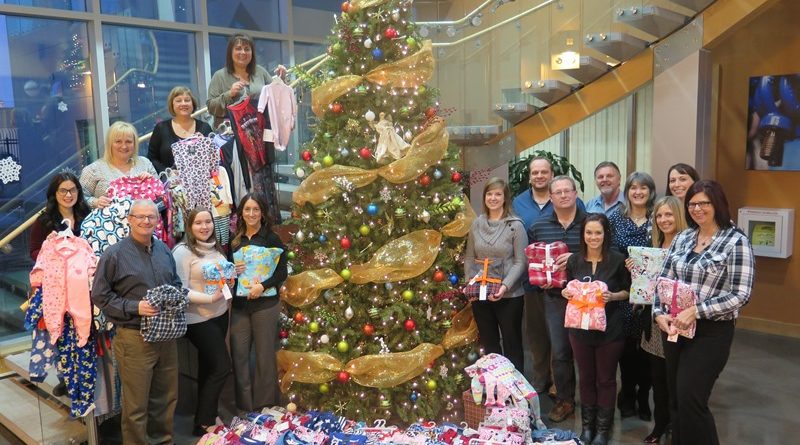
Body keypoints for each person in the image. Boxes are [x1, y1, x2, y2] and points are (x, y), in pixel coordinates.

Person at [654, 180, 754, 445]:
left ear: (717, 204)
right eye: (692, 204)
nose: (697, 209)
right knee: (675, 398)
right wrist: (657, 312)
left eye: (704, 203)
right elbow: (663, 279)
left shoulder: (735, 242)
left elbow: (740, 294)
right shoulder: (684, 237)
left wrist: (697, 311)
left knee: (691, 399)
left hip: (711, 333)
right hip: (674, 327)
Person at [91, 199, 183, 444]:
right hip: (134, 338)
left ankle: (163, 441)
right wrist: (134, 307)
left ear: (157, 220)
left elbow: (175, 283)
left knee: (166, 399)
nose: (146, 221)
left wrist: (175, 298)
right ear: (129, 220)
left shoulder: (164, 250)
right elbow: (99, 295)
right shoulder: (114, 255)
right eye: (140, 217)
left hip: (166, 336)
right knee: (135, 407)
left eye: (151, 217)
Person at [512, 156, 586, 396]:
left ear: (551, 174)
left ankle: (560, 385)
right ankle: (540, 379)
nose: (540, 176)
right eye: (535, 172)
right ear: (530, 176)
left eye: (544, 172)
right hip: (535, 284)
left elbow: (590, 243)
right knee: (538, 335)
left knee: (564, 341)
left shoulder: (581, 212)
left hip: (575, 288)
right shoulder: (519, 203)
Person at [562, 213, 630, 445]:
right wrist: (565, 292)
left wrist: (614, 295)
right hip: (579, 331)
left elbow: (630, 291)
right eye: (589, 232)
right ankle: (587, 427)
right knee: (586, 379)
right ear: (583, 235)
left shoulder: (618, 260)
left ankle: (603, 430)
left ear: (605, 234)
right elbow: (566, 287)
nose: (593, 237)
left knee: (606, 380)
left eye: (598, 233)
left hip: (610, 330)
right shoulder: (574, 261)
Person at [528, 175, 587, 422]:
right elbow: (532, 262)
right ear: (550, 197)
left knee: (587, 352)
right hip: (554, 298)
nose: (563, 195)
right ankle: (565, 400)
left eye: (567, 191)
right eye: (558, 192)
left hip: (587, 299)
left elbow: (608, 254)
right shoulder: (539, 226)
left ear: (575, 194)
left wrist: (574, 257)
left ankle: (593, 402)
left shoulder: (591, 223)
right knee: (560, 352)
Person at [171, 208, 230, 436]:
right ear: (189, 226)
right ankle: (206, 419)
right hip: (197, 320)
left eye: (208, 222)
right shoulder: (182, 252)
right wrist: (209, 298)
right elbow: (180, 289)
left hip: (220, 314)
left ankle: (204, 418)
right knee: (222, 366)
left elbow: (222, 278)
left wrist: (230, 280)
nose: (204, 227)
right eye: (198, 223)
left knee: (209, 367)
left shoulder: (216, 248)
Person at [636, 195, 688, 443]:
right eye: (659, 215)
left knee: (677, 380)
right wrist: (635, 270)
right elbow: (645, 286)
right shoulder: (651, 245)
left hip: (679, 321)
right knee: (658, 379)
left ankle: (677, 428)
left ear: (678, 216)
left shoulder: (689, 246)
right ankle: (660, 425)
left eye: (668, 214)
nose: (664, 220)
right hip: (654, 322)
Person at [229, 193, 287, 411]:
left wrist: (262, 286)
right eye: (247, 209)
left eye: (256, 209)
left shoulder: (271, 238)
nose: (251, 214)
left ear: (262, 213)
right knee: (239, 355)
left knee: (264, 356)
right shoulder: (234, 240)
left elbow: (282, 271)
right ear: (241, 213)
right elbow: (227, 272)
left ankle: (265, 404)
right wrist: (231, 270)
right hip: (240, 307)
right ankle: (244, 406)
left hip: (266, 305)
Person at [608, 172, 656, 421]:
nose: (638, 192)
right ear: (627, 191)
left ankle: (643, 396)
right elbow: (609, 251)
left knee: (647, 351)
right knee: (626, 352)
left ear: (650, 191)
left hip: (651, 295)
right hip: (624, 291)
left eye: (643, 187)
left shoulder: (656, 218)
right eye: (633, 187)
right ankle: (626, 394)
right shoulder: (616, 218)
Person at [465, 178, 527, 371]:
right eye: (489, 194)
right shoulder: (476, 224)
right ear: (484, 197)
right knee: (490, 344)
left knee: (512, 344)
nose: (493, 198)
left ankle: (515, 391)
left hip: (509, 296)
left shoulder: (515, 226)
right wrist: (470, 284)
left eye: (498, 194)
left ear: (505, 198)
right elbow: (469, 258)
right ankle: (495, 389)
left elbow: (521, 261)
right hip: (481, 295)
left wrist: (505, 286)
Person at [80, 121, 157, 208]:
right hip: (107, 220)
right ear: (110, 144)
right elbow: (80, 197)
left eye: (128, 141)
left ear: (134, 144)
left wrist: (151, 181)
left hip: (144, 220)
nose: (124, 146)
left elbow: (161, 196)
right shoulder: (93, 170)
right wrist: (95, 202)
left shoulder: (145, 164)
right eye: (118, 141)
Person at [207, 33, 272, 128]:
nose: (243, 52)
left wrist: (281, 80)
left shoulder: (261, 72)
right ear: (230, 52)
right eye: (238, 48)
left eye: (247, 49)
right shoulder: (219, 76)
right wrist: (229, 94)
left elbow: (274, 98)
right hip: (231, 132)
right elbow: (211, 108)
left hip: (260, 130)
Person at [147, 86, 213, 173]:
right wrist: (168, 172)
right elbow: (152, 158)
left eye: (187, 100)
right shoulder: (161, 128)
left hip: (200, 181)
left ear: (193, 104)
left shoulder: (204, 128)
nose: (183, 103)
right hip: (170, 183)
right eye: (178, 101)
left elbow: (213, 156)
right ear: (172, 105)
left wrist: (204, 145)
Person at [30, 171, 91, 261]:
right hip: (57, 272)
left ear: (78, 192)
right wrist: (49, 246)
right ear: (54, 193)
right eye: (63, 191)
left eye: (73, 190)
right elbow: (33, 252)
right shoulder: (44, 220)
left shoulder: (88, 215)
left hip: (86, 271)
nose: (69, 195)